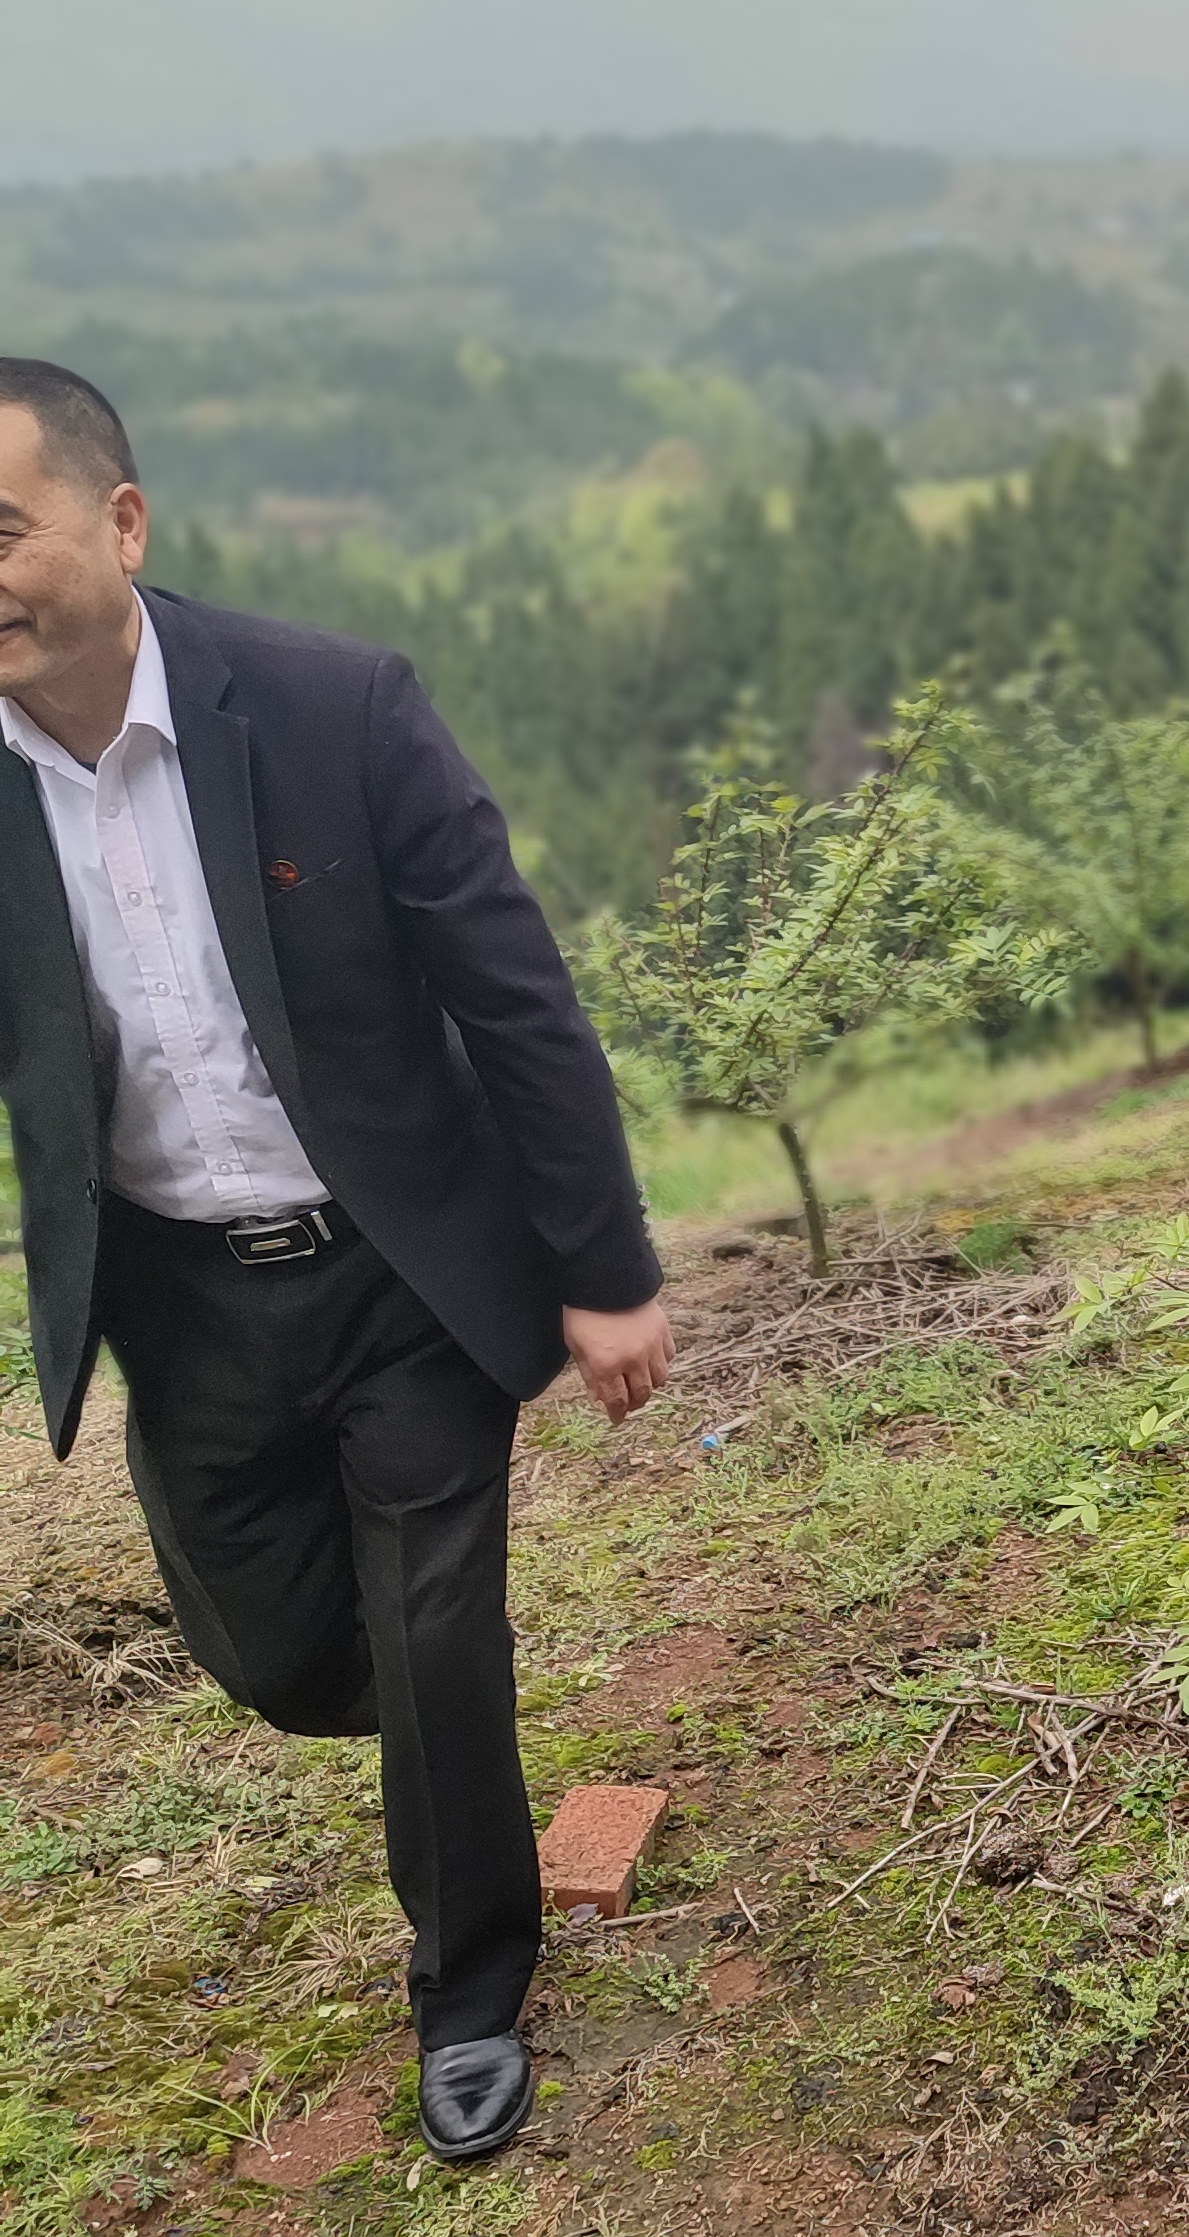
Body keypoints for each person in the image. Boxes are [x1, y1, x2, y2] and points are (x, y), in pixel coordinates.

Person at [0, 360, 672, 2163]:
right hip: (178, 1291)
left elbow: (515, 1002)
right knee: (288, 1657)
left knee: (433, 1620)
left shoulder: (329, 705)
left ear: (118, 523)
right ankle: (450, 1721)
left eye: (0, 528)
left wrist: (601, 1266)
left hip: (398, 1267)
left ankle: (467, 1993)